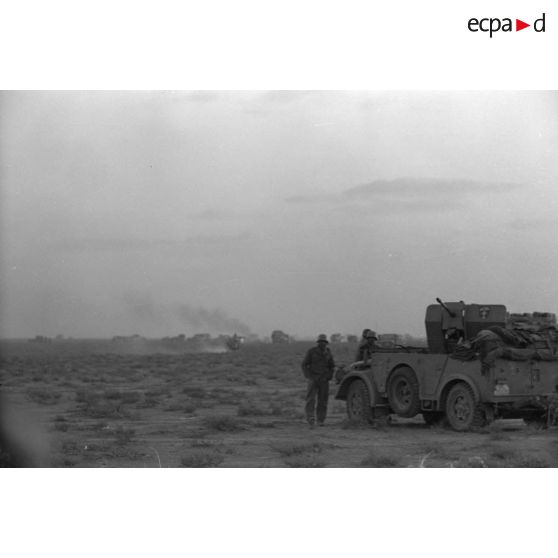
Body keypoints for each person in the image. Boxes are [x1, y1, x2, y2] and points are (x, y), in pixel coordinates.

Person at [301, 334, 335, 427]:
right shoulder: (312, 352)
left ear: (326, 343)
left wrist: (329, 376)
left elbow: (332, 366)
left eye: (324, 342)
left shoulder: (328, 352)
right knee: (310, 399)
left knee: (323, 401)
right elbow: (304, 364)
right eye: (320, 342)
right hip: (313, 379)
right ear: (318, 342)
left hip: (324, 380)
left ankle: (321, 420)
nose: (322, 344)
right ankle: (310, 418)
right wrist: (309, 376)